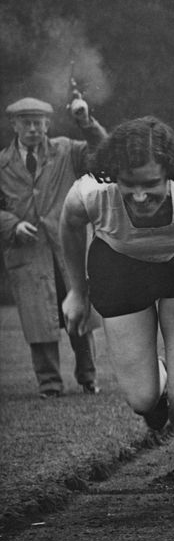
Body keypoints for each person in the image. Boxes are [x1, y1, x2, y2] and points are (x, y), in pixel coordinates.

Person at [61, 117, 174, 507]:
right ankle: (160, 369)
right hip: (119, 268)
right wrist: (77, 291)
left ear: (170, 175)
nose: (140, 197)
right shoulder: (90, 194)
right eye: (130, 186)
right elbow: (70, 225)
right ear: (114, 177)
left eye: (151, 186)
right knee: (144, 402)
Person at [1, 94, 106, 397]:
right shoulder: (2, 163)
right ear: (14, 125)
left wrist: (85, 121)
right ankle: (49, 385)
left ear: (47, 124)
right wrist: (11, 224)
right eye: (26, 123)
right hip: (27, 254)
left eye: (39, 122)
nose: (33, 128)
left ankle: (88, 378)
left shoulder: (67, 151)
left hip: (68, 249)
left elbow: (103, 150)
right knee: (38, 321)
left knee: (80, 314)